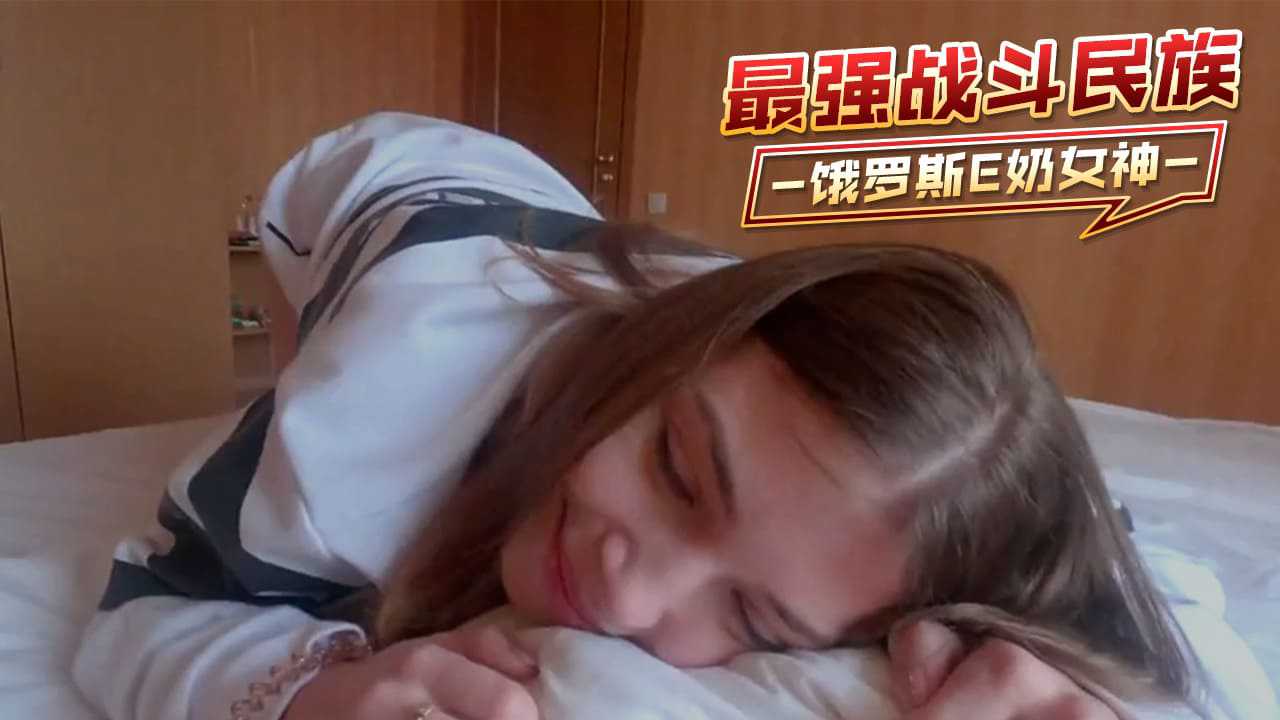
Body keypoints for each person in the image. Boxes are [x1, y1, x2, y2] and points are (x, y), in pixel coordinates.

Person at [71, 113, 1206, 720]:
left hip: (623, 253)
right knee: (297, 393)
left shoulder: (784, 385)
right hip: (360, 186)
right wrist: (310, 691)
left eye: (753, 616)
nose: (626, 597)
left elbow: (1110, 557)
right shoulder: (382, 395)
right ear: (674, 347)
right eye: (676, 469)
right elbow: (147, 603)